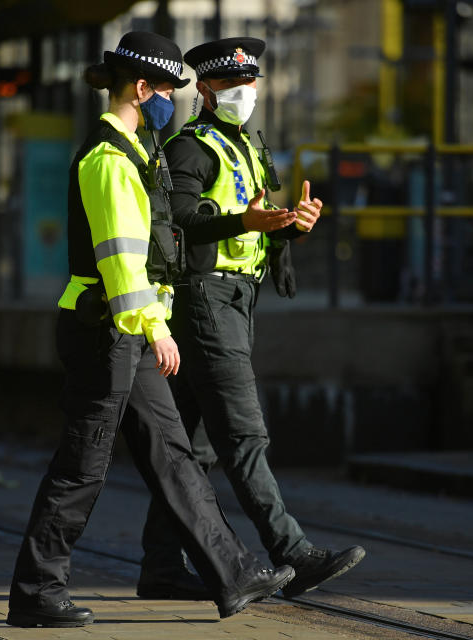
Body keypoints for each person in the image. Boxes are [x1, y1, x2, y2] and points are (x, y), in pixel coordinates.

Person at [6, 32, 297, 628]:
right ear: (143, 89)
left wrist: (151, 326)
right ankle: (37, 589)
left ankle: (232, 571)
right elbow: (120, 260)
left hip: (129, 329)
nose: (171, 100)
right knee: (84, 462)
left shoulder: (135, 150)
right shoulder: (110, 159)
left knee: (174, 454)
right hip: (105, 327)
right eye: (167, 89)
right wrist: (155, 328)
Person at [138, 37, 366, 601]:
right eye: (235, 87)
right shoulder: (191, 148)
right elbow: (183, 219)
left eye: (252, 84)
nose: (248, 94)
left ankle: (162, 569)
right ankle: (292, 551)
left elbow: (255, 222)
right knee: (242, 435)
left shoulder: (245, 145)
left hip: (236, 302)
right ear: (207, 91)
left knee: (194, 449)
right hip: (205, 302)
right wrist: (247, 219)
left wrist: (292, 225)